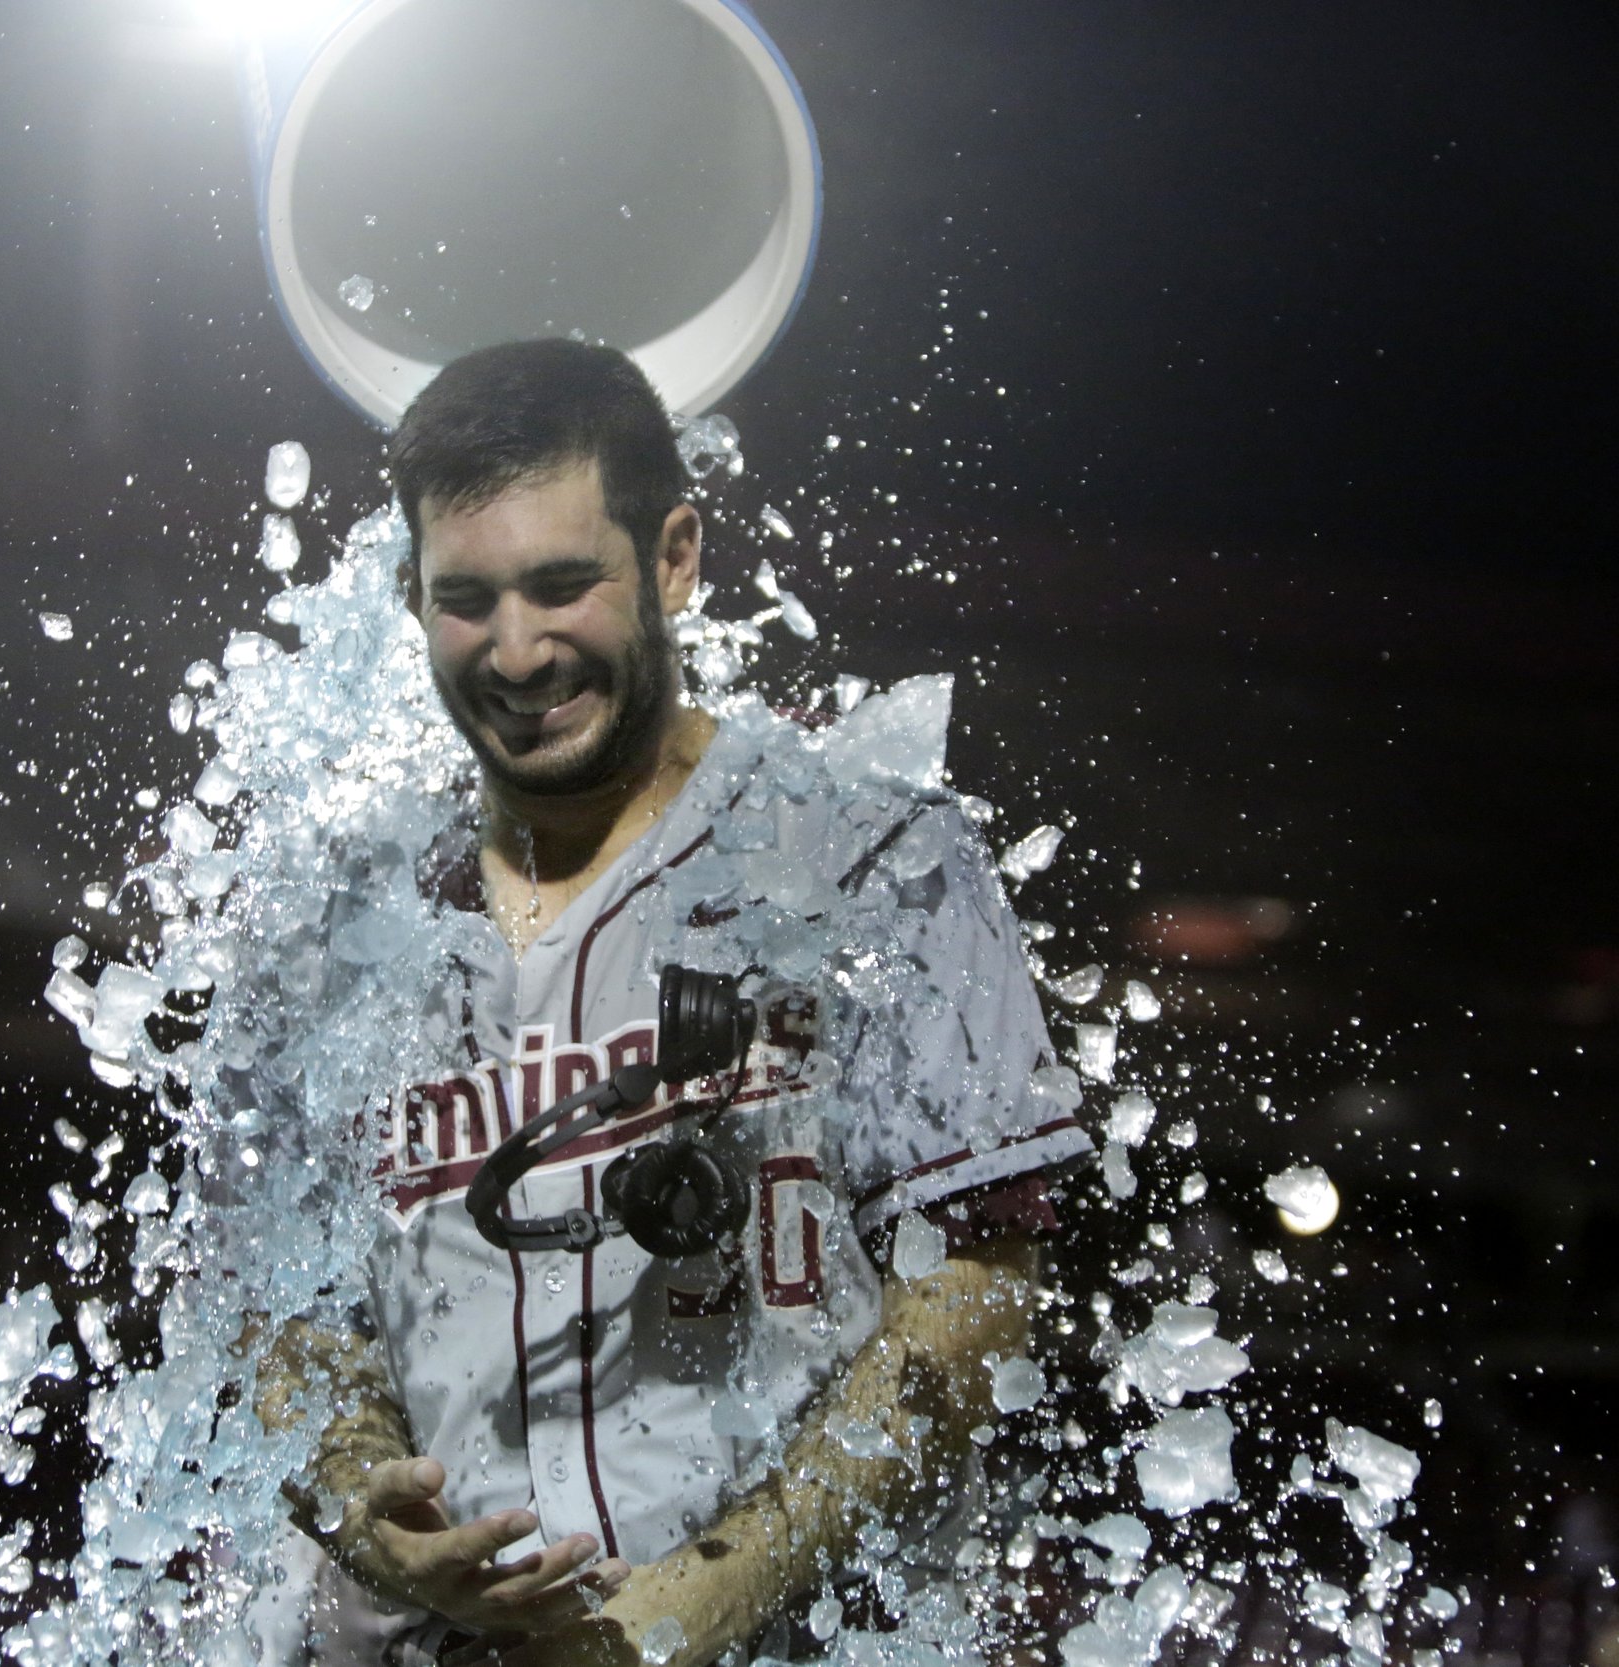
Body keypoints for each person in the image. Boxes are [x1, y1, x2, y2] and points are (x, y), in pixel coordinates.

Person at [254, 338, 1089, 1667]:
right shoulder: (342, 932)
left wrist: (716, 1592)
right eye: (466, 599)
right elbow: (272, 1315)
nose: (517, 651)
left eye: (562, 584)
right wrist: (366, 1501)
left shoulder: (867, 860)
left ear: (677, 559)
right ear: (411, 596)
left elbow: (983, 1288)